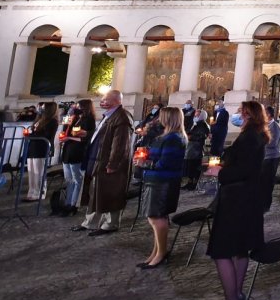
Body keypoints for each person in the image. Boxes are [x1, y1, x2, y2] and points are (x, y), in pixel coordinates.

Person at [206, 101, 268, 300]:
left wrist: (219, 172)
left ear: (250, 115)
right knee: (240, 249)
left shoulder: (250, 137)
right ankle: (238, 294)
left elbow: (245, 170)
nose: (239, 115)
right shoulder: (256, 135)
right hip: (247, 198)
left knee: (221, 251)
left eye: (242, 112)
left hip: (237, 200)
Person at [75, 90, 133, 235]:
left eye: (105, 99)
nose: (102, 102)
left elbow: (120, 144)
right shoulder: (109, 116)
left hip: (109, 162)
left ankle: (110, 224)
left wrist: (113, 163)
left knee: (110, 193)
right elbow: (100, 136)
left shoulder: (122, 117)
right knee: (95, 192)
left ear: (116, 101)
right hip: (97, 160)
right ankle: (90, 223)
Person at [137, 106, 185, 269]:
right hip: (157, 180)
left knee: (157, 218)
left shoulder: (172, 138)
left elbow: (166, 163)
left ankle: (161, 253)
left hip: (163, 182)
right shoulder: (167, 136)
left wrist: (146, 163)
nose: (157, 118)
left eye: (161, 116)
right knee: (156, 217)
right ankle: (156, 251)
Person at [56, 103, 91, 215]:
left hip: (77, 152)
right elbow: (64, 129)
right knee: (69, 179)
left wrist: (69, 137)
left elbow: (85, 139)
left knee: (77, 179)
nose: (74, 108)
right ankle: (67, 202)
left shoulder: (87, 120)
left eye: (76, 106)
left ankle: (74, 204)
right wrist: (67, 116)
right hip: (67, 152)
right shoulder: (71, 119)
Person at [23, 102, 59, 202]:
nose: (40, 109)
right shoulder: (39, 119)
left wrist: (31, 136)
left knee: (39, 172)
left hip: (41, 147)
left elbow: (47, 135)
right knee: (32, 171)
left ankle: (39, 193)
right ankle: (31, 191)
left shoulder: (52, 121)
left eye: (43, 107)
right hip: (33, 147)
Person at [260, 105, 280, 211]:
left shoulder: (275, 126)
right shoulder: (265, 125)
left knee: (268, 181)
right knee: (263, 181)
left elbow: (273, 143)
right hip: (265, 156)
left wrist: (259, 142)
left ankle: (265, 205)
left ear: (268, 115)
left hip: (272, 157)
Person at [183, 112, 209, 190]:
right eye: (195, 115)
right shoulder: (195, 124)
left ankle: (194, 184)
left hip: (196, 150)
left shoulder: (203, 125)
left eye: (197, 115)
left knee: (195, 168)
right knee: (190, 168)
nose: (195, 116)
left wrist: (191, 137)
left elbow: (202, 136)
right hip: (191, 149)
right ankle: (189, 183)